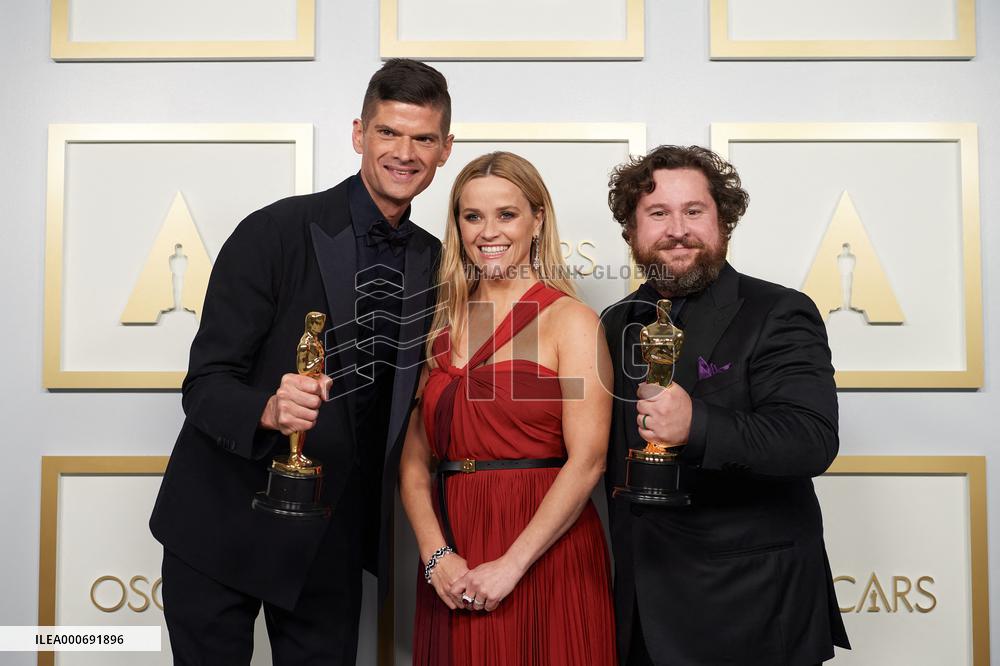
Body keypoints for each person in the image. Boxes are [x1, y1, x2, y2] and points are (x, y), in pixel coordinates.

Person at [149, 58, 454, 665]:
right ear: (358, 134)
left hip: (330, 539)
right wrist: (267, 407)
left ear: (446, 149)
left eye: (423, 138)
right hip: (223, 522)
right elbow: (204, 384)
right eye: (388, 132)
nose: (404, 152)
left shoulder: (437, 261)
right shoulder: (273, 231)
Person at [601, 145, 850, 665]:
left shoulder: (779, 311)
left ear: (724, 222)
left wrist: (697, 425)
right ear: (632, 230)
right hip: (640, 614)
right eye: (658, 213)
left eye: (694, 211)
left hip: (751, 611)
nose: (677, 229)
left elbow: (811, 440)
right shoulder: (615, 322)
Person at [399, 151, 617, 665]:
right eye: (472, 216)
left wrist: (511, 565)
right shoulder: (438, 321)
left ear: (537, 220)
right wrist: (436, 558)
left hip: (545, 549)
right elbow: (413, 463)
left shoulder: (573, 322)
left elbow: (588, 461)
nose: (487, 231)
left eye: (506, 214)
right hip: (454, 547)